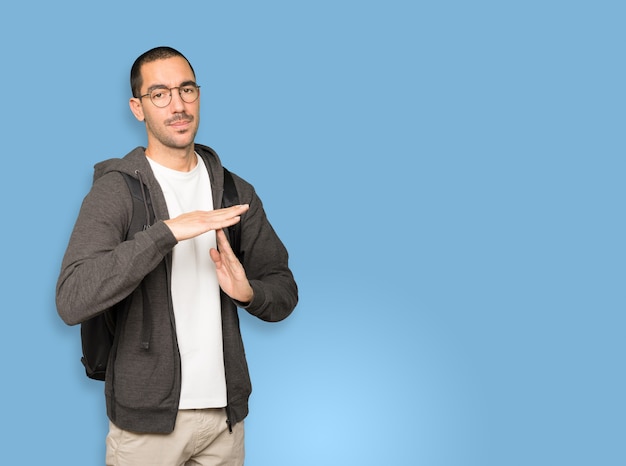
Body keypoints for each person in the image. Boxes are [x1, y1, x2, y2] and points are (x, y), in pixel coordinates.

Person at [56, 46, 298, 466]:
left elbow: (283, 290)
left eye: (187, 90)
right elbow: (72, 299)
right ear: (138, 108)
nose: (178, 105)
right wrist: (165, 234)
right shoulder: (115, 191)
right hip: (146, 428)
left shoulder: (235, 193)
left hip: (224, 419)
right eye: (160, 94)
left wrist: (248, 293)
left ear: (199, 96)